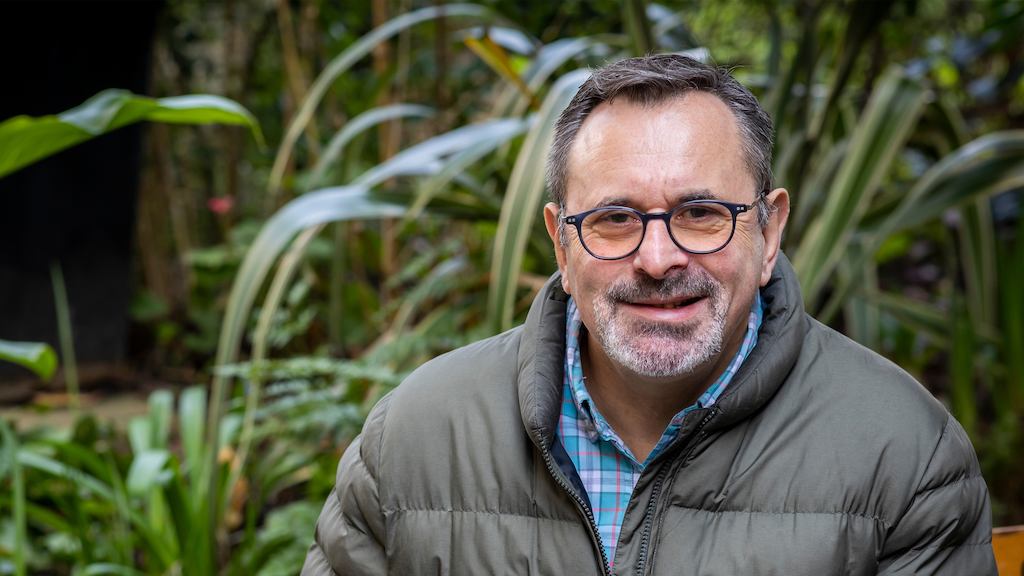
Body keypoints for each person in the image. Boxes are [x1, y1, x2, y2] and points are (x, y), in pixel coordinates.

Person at [302, 54, 996, 575]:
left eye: (701, 213)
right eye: (614, 219)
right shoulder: (415, 440)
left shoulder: (905, 454)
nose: (658, 259)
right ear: (561, 244)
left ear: (769, 232)